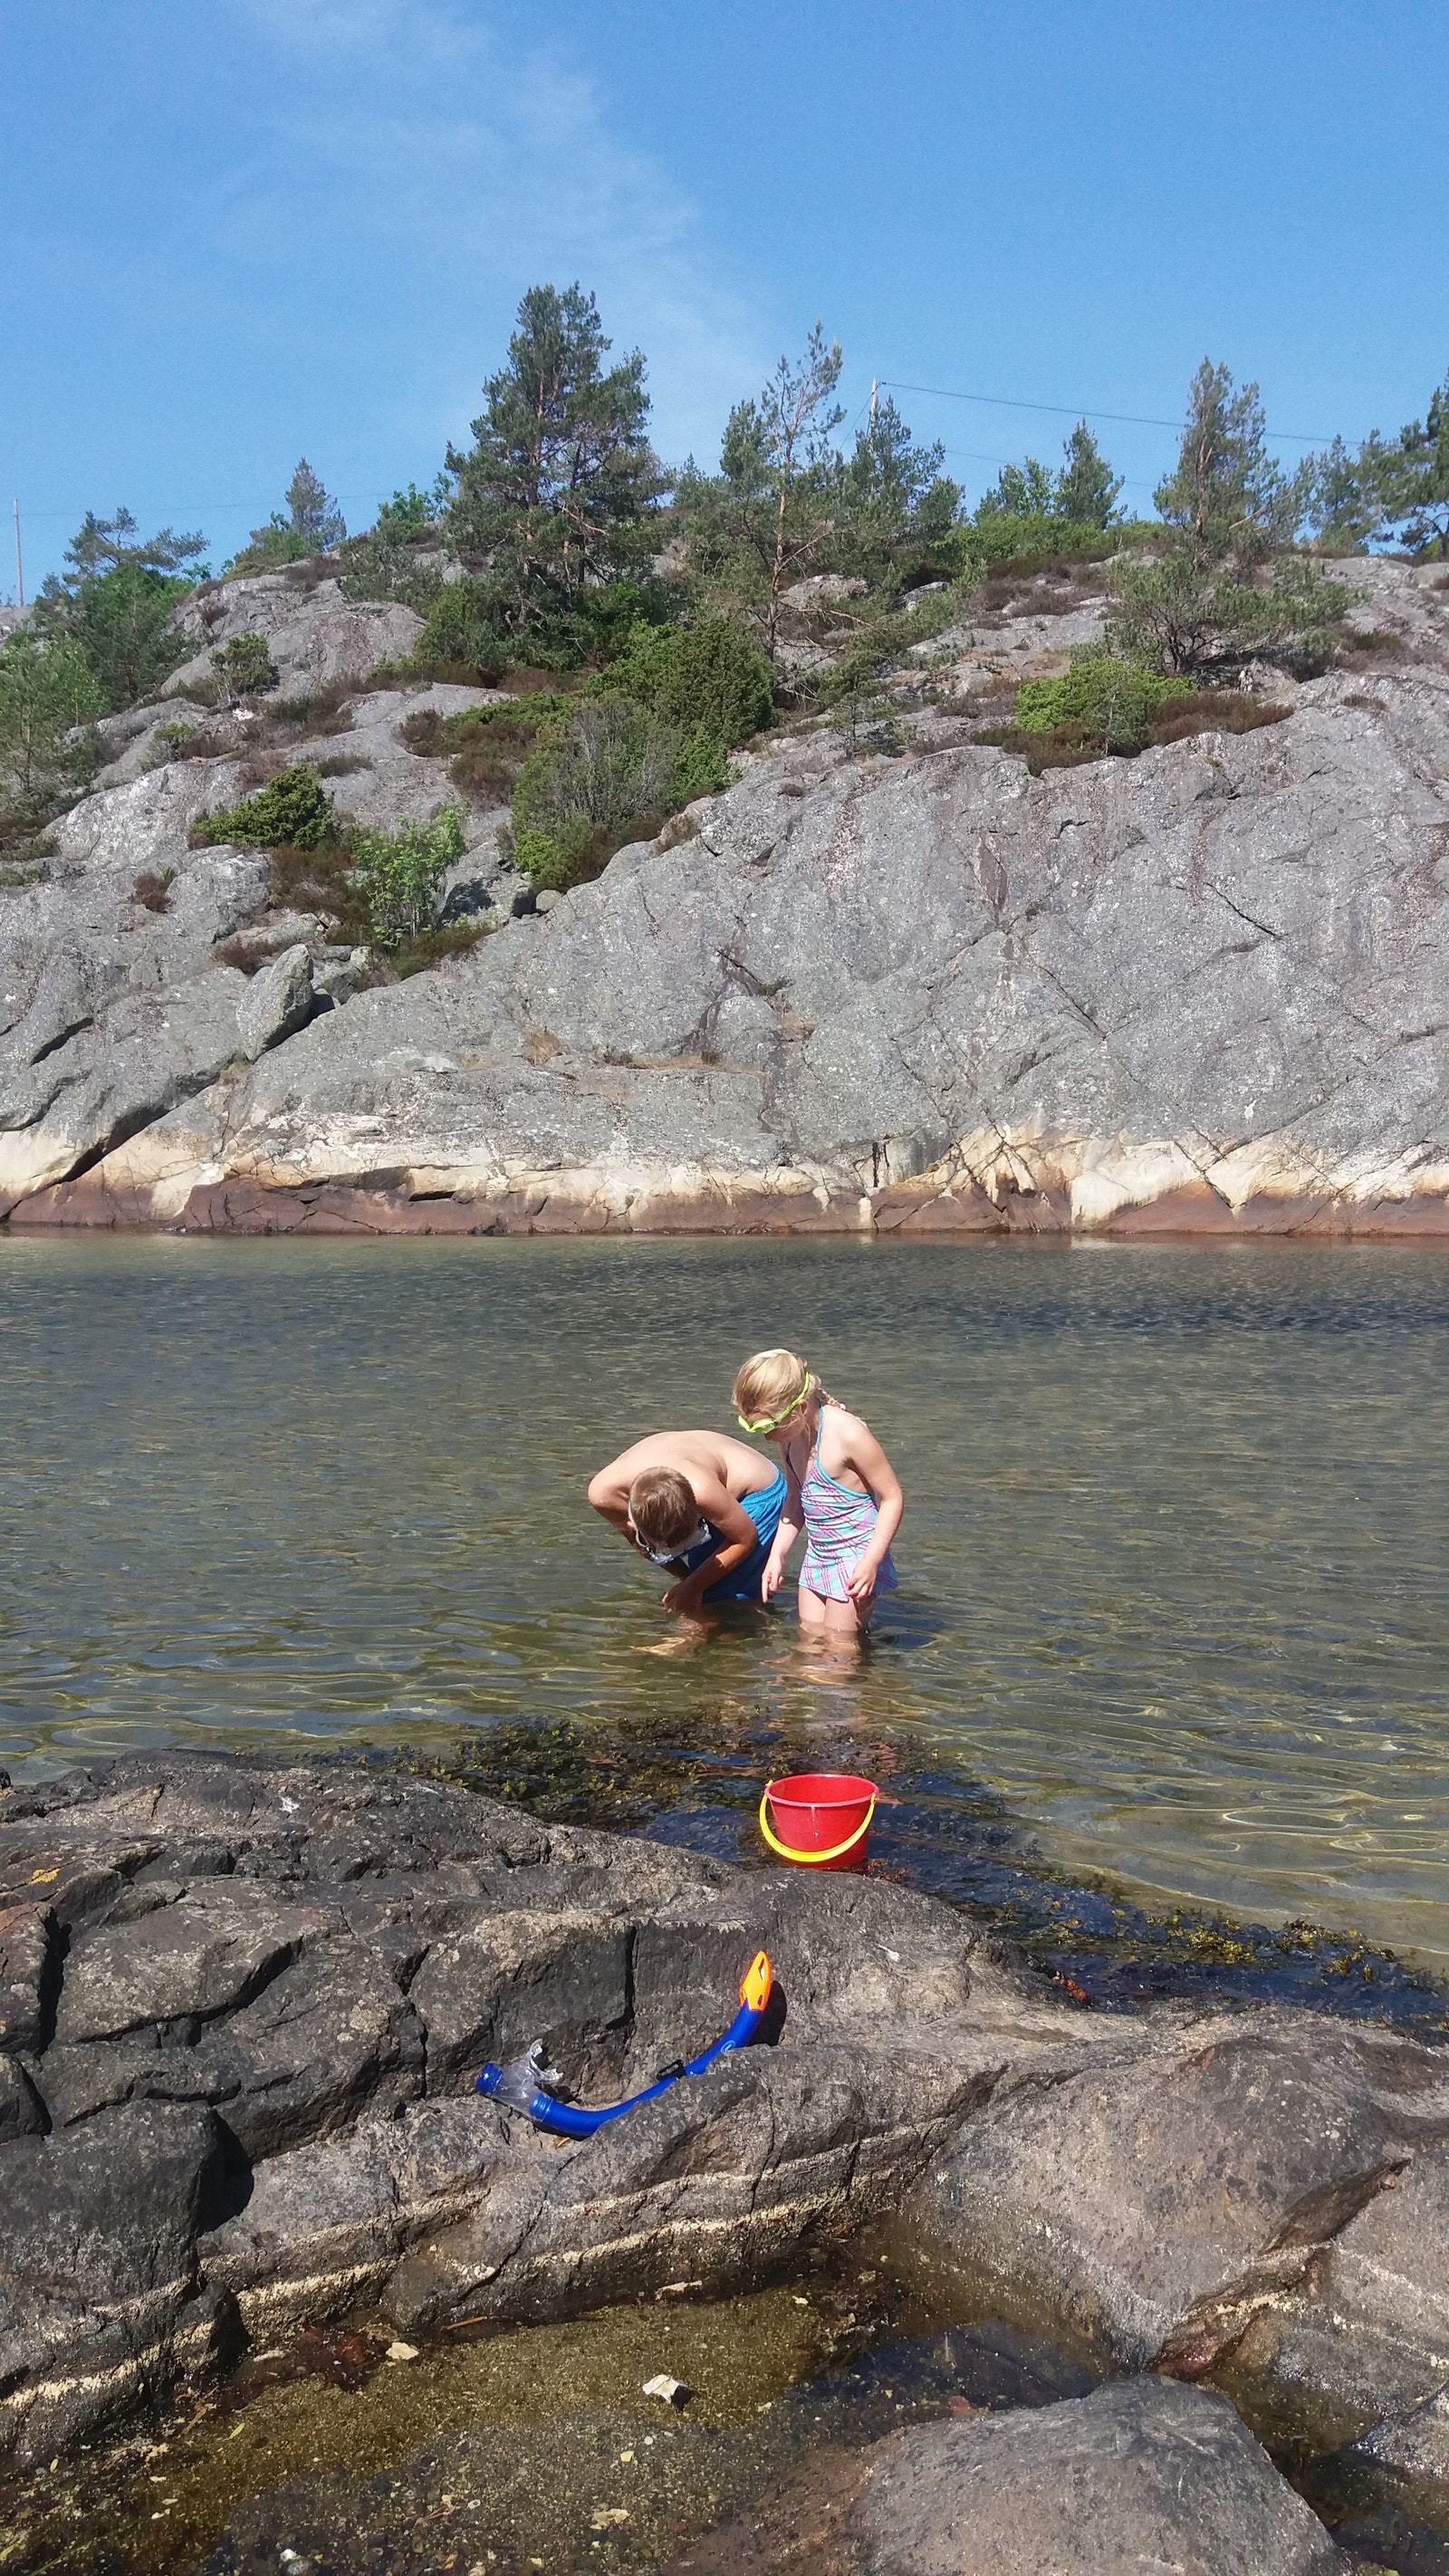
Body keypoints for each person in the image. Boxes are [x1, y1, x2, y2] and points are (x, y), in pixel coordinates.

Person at [732, 1348, 902, 1639]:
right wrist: (777, 1555)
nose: (765, 1436)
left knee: (838, 1651)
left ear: (799, 1409)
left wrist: (871, 1562)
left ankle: (870, 1684)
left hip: (857, 1555)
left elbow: (892, 1498)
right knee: (808, 1642)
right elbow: (796, 1500)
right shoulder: (789, 1437)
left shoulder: (848, 1435)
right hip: (818, 1555)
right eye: (751, 1427)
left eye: (768, 1426)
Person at [587, 1430, 788, 1620]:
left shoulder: (702, 1491)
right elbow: (642, 1546)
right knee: (706, 1586)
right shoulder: (604, 1496)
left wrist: (693, 1587)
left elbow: (745, 1539)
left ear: (699, 1513)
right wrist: (689, 1581)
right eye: (667, 1550)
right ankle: (705, 1633)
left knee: (728, 1596)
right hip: (697, 1477)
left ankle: (739, 1629)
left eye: (693, 1539)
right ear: (633, 1524)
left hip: (758, 1489)